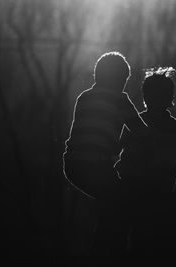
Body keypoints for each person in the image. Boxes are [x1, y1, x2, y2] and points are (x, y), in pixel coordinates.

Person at [62, 51, 148, 263]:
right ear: (121, 79)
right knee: (121, 203)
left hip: (72, 164)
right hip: (95, 165)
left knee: (111, 203)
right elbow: (141, 132)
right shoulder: (120, 100)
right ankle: (107, 254)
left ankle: (100, 252)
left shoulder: (85, 97)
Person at [116, 67, 176, 195]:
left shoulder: (133, 122)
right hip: (149, 195)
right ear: (171, 98)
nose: (156, 99)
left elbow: (117, 152)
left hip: (131, 194)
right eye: (154, 95)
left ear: (145, 97)